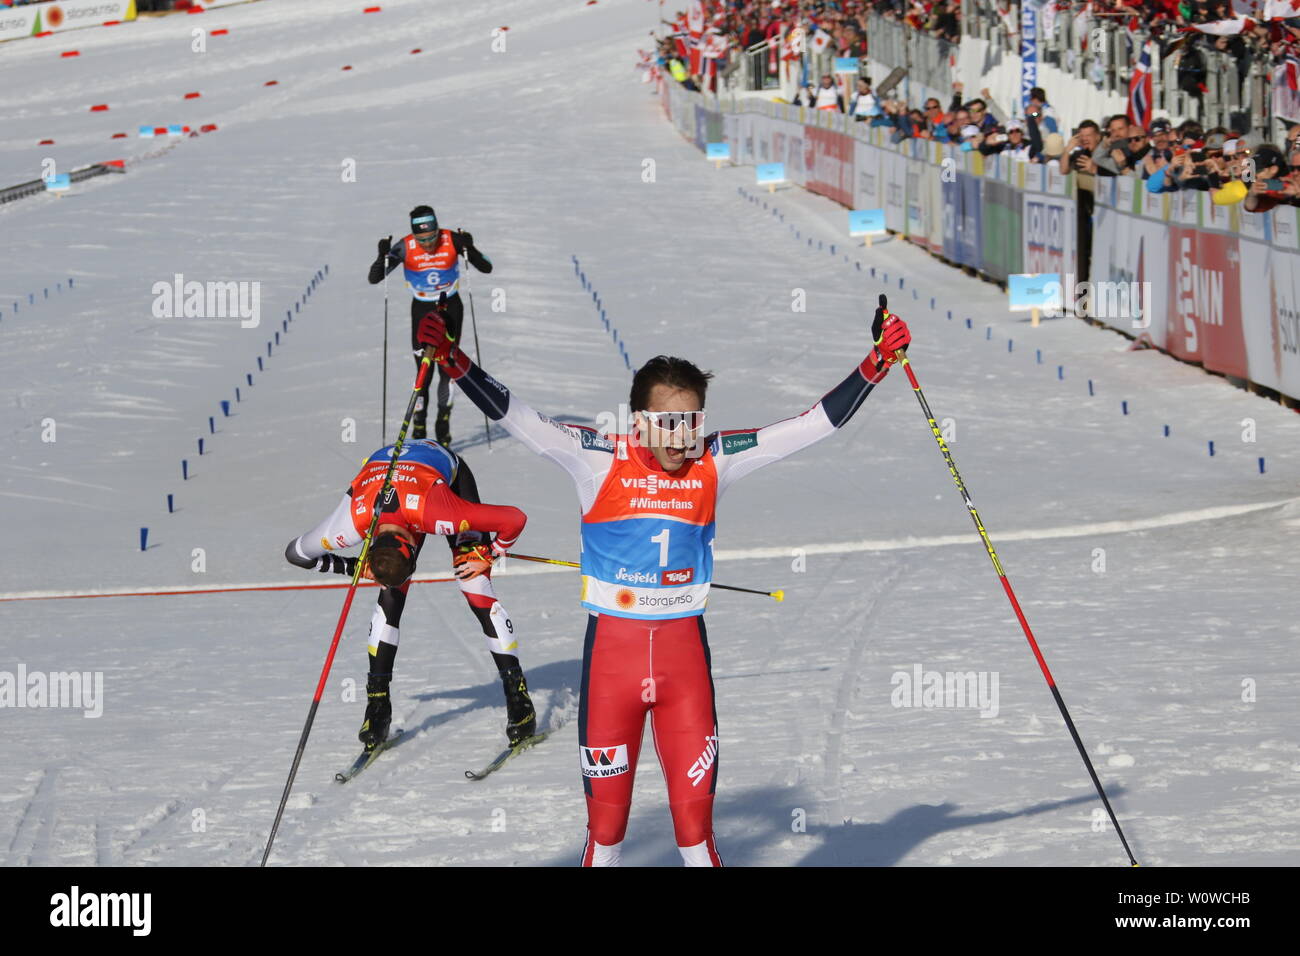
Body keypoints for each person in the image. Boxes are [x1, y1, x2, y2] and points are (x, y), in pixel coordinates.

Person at [414, 301, 913, 867]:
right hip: (611, 668)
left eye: (692, 421)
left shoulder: (716, 460)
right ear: (638, 421)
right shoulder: (596, 458)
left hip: (684, 668)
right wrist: (453, 360)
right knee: (605, 836)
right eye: (668, 422)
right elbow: (519, 418)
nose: (681, 437)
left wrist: (876, 363)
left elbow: (808, 427)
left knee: (696, 835)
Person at [284, 438, 536, 751]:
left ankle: (517, 695)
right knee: (389, 596)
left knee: (474, 583)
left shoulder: (441, 514)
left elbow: (514, 518)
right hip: (392, 489)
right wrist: (353, 567)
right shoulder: (349, 524)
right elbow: (295, 554)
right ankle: (378, 705)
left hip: (441, 480)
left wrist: (488, 554)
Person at [368, 206, 493, 445]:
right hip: (422, 310)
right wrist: (382, 255)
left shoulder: (451, 239)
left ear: (438, 229)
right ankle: (419, 424)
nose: (427, 244)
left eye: (432, 236)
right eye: (421, 239)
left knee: (448, 370)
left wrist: (470, 247)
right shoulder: (405, 247)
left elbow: (487, 267)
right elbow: (375, 278)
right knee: (424, 372)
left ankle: (443, 423)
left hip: (451, 309)